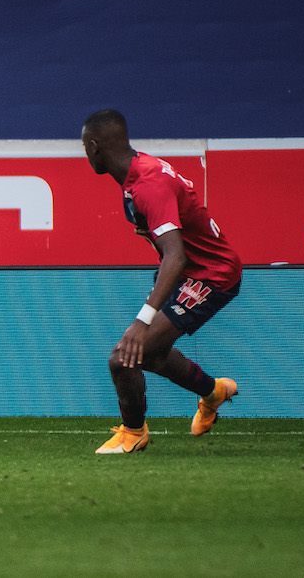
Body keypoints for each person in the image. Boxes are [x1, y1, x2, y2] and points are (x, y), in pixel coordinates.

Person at [81, 109, 242, 454]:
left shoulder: (147, 184)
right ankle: (214, 392)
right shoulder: (136, 173)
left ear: (94, 146)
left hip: (210, 274)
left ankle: (133, 433)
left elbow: (176, 255)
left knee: (123, 357)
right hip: (187, 271)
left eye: (84, 148)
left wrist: (142, 322)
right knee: (151, 357)